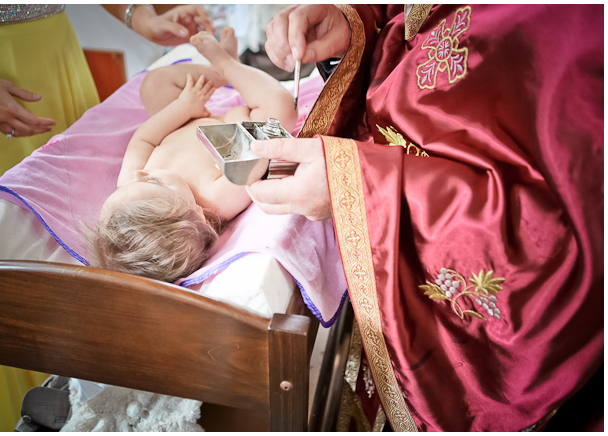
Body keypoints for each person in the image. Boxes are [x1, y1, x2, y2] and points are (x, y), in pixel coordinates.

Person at [246, 4, 603, 432]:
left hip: (490, 344)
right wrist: (355, 18)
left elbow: (557, 237)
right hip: (386, 275)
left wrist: (362, 186)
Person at [0, 4, 213, 431]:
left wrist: (139, 16)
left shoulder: (150, 185)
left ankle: (77, 379)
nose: (142, 174)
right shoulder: (164, 181)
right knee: (0, 285)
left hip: (53, 52)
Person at [88, 28, 297, 283]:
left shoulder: (131, 182)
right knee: (281, 111)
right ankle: (229, 65)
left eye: (132, 183)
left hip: (186, 118)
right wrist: (237, 117)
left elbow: (145, 138)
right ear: (197, 212)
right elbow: (251, 157)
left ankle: (218, 75)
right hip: (233, 128)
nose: (140, 172)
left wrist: (183, 107)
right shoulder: (215, 201)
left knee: (153, 85)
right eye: (155, 182)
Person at [0, 4, 214, 205]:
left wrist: (143, 20)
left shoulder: (131, 178)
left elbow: (143, 140)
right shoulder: (211, 196)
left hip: (55, 51)